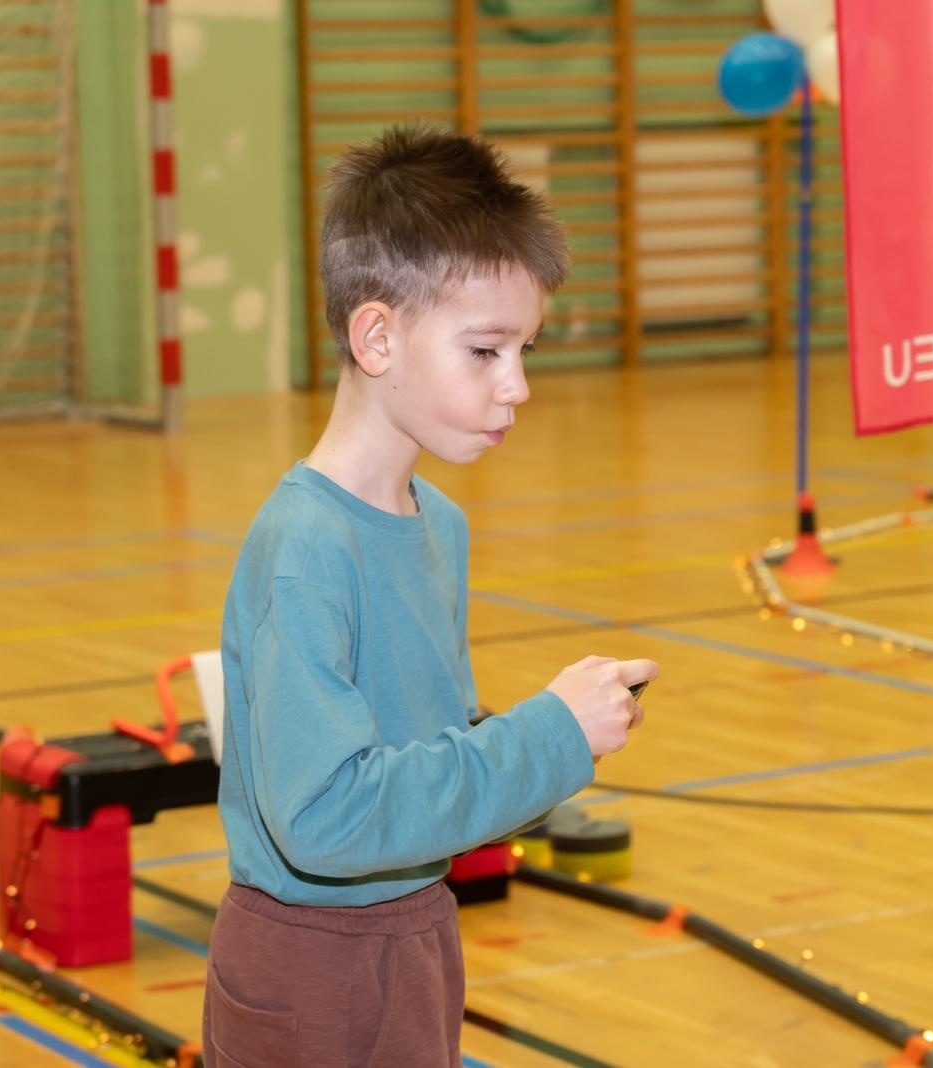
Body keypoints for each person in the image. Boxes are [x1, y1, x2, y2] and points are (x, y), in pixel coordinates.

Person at [202, 123, 659, 1068]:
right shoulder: (304, 551)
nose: (518, 387)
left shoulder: (437, 523)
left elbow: (425, 752)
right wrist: (545, 737)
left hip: (416, 935)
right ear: (378, 337)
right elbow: (325, 818)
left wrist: (550, 736)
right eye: (486, 351)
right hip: (312, 968)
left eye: (524, 349)